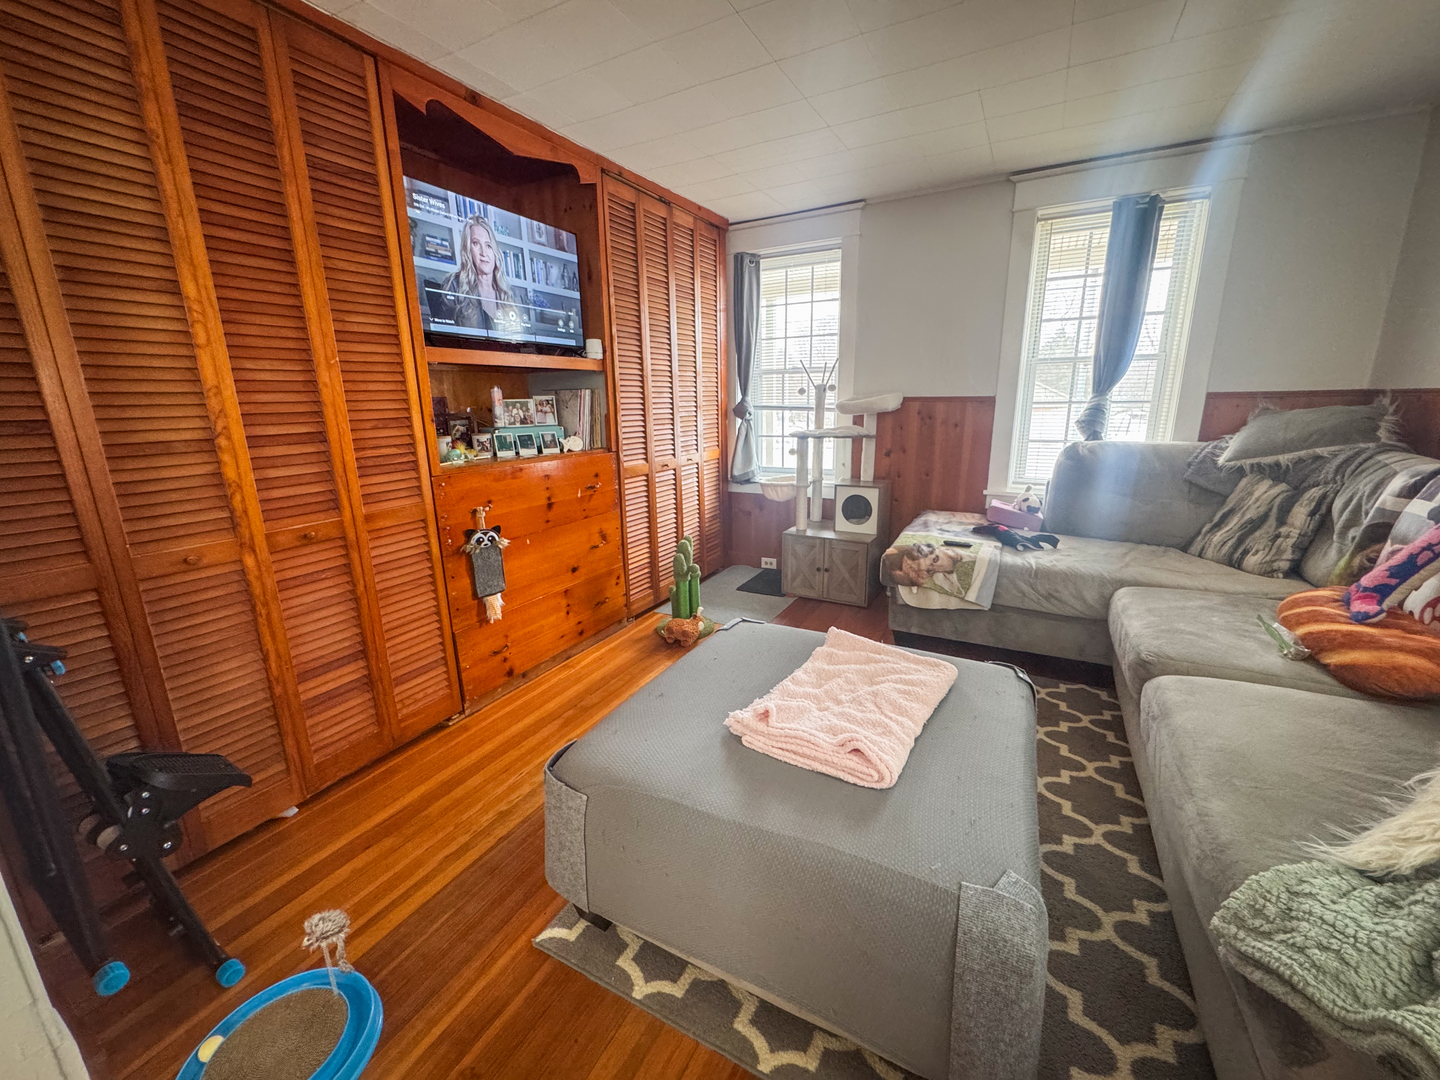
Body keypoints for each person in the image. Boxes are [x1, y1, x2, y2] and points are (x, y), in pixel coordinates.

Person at [433, 215, 520, 333]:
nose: (484, 252)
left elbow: (519, 340)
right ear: (468, 250)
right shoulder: (454, 286)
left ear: (494, 252)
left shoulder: (509, 293)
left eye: (488, 245)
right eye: (476, 244)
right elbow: (443, 337)